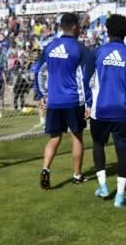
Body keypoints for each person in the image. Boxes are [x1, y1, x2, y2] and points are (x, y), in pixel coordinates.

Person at [84, 14, 126, 207]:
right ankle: (119, 196)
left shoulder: (97, 53)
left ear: (107, 30)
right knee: (122, 151)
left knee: (98, 145)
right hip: (123, 111)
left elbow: (86, 80)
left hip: (100, 110)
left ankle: (103, 187)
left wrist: (88, 102)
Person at [35, 12, 91, 189]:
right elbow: (86, 77)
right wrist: (89, 102)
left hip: (54, 100)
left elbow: (38, 71)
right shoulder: (80, 48)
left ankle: (45, 168)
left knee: (54, 137)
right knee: (77, 136)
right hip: (74, 100)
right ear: (74, 26)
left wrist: (41, 94)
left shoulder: (50, 47)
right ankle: (77, 174)